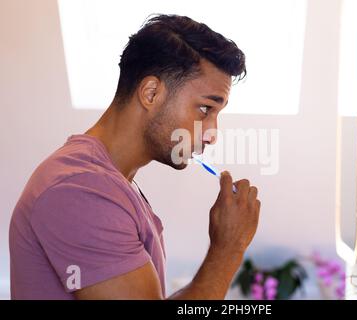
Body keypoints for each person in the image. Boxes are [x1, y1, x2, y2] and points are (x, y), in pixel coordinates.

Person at [9, 14, 260, 300]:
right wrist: (228, 249)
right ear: (151, 93)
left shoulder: (113, 183)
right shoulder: (79, 190)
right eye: (205, 109)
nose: (212, 133)